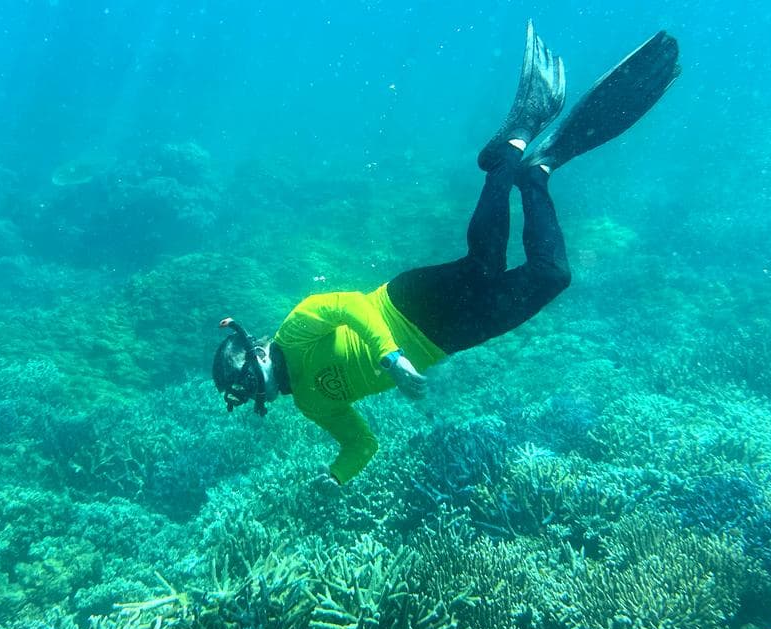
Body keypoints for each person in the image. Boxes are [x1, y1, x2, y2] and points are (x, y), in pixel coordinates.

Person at [213, 23, 681, 486]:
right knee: (553, 276)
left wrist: (391, 358)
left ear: (256, 351)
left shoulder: (295, 331)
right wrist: (335, 477)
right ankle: (538, 172)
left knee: (485, 264)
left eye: (245, 376)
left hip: (404, 305)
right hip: (444, 341)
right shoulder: (311, 406)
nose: (252, 388)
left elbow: (349, 306)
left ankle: (511, 146)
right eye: (243, 389)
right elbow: (361, 444)